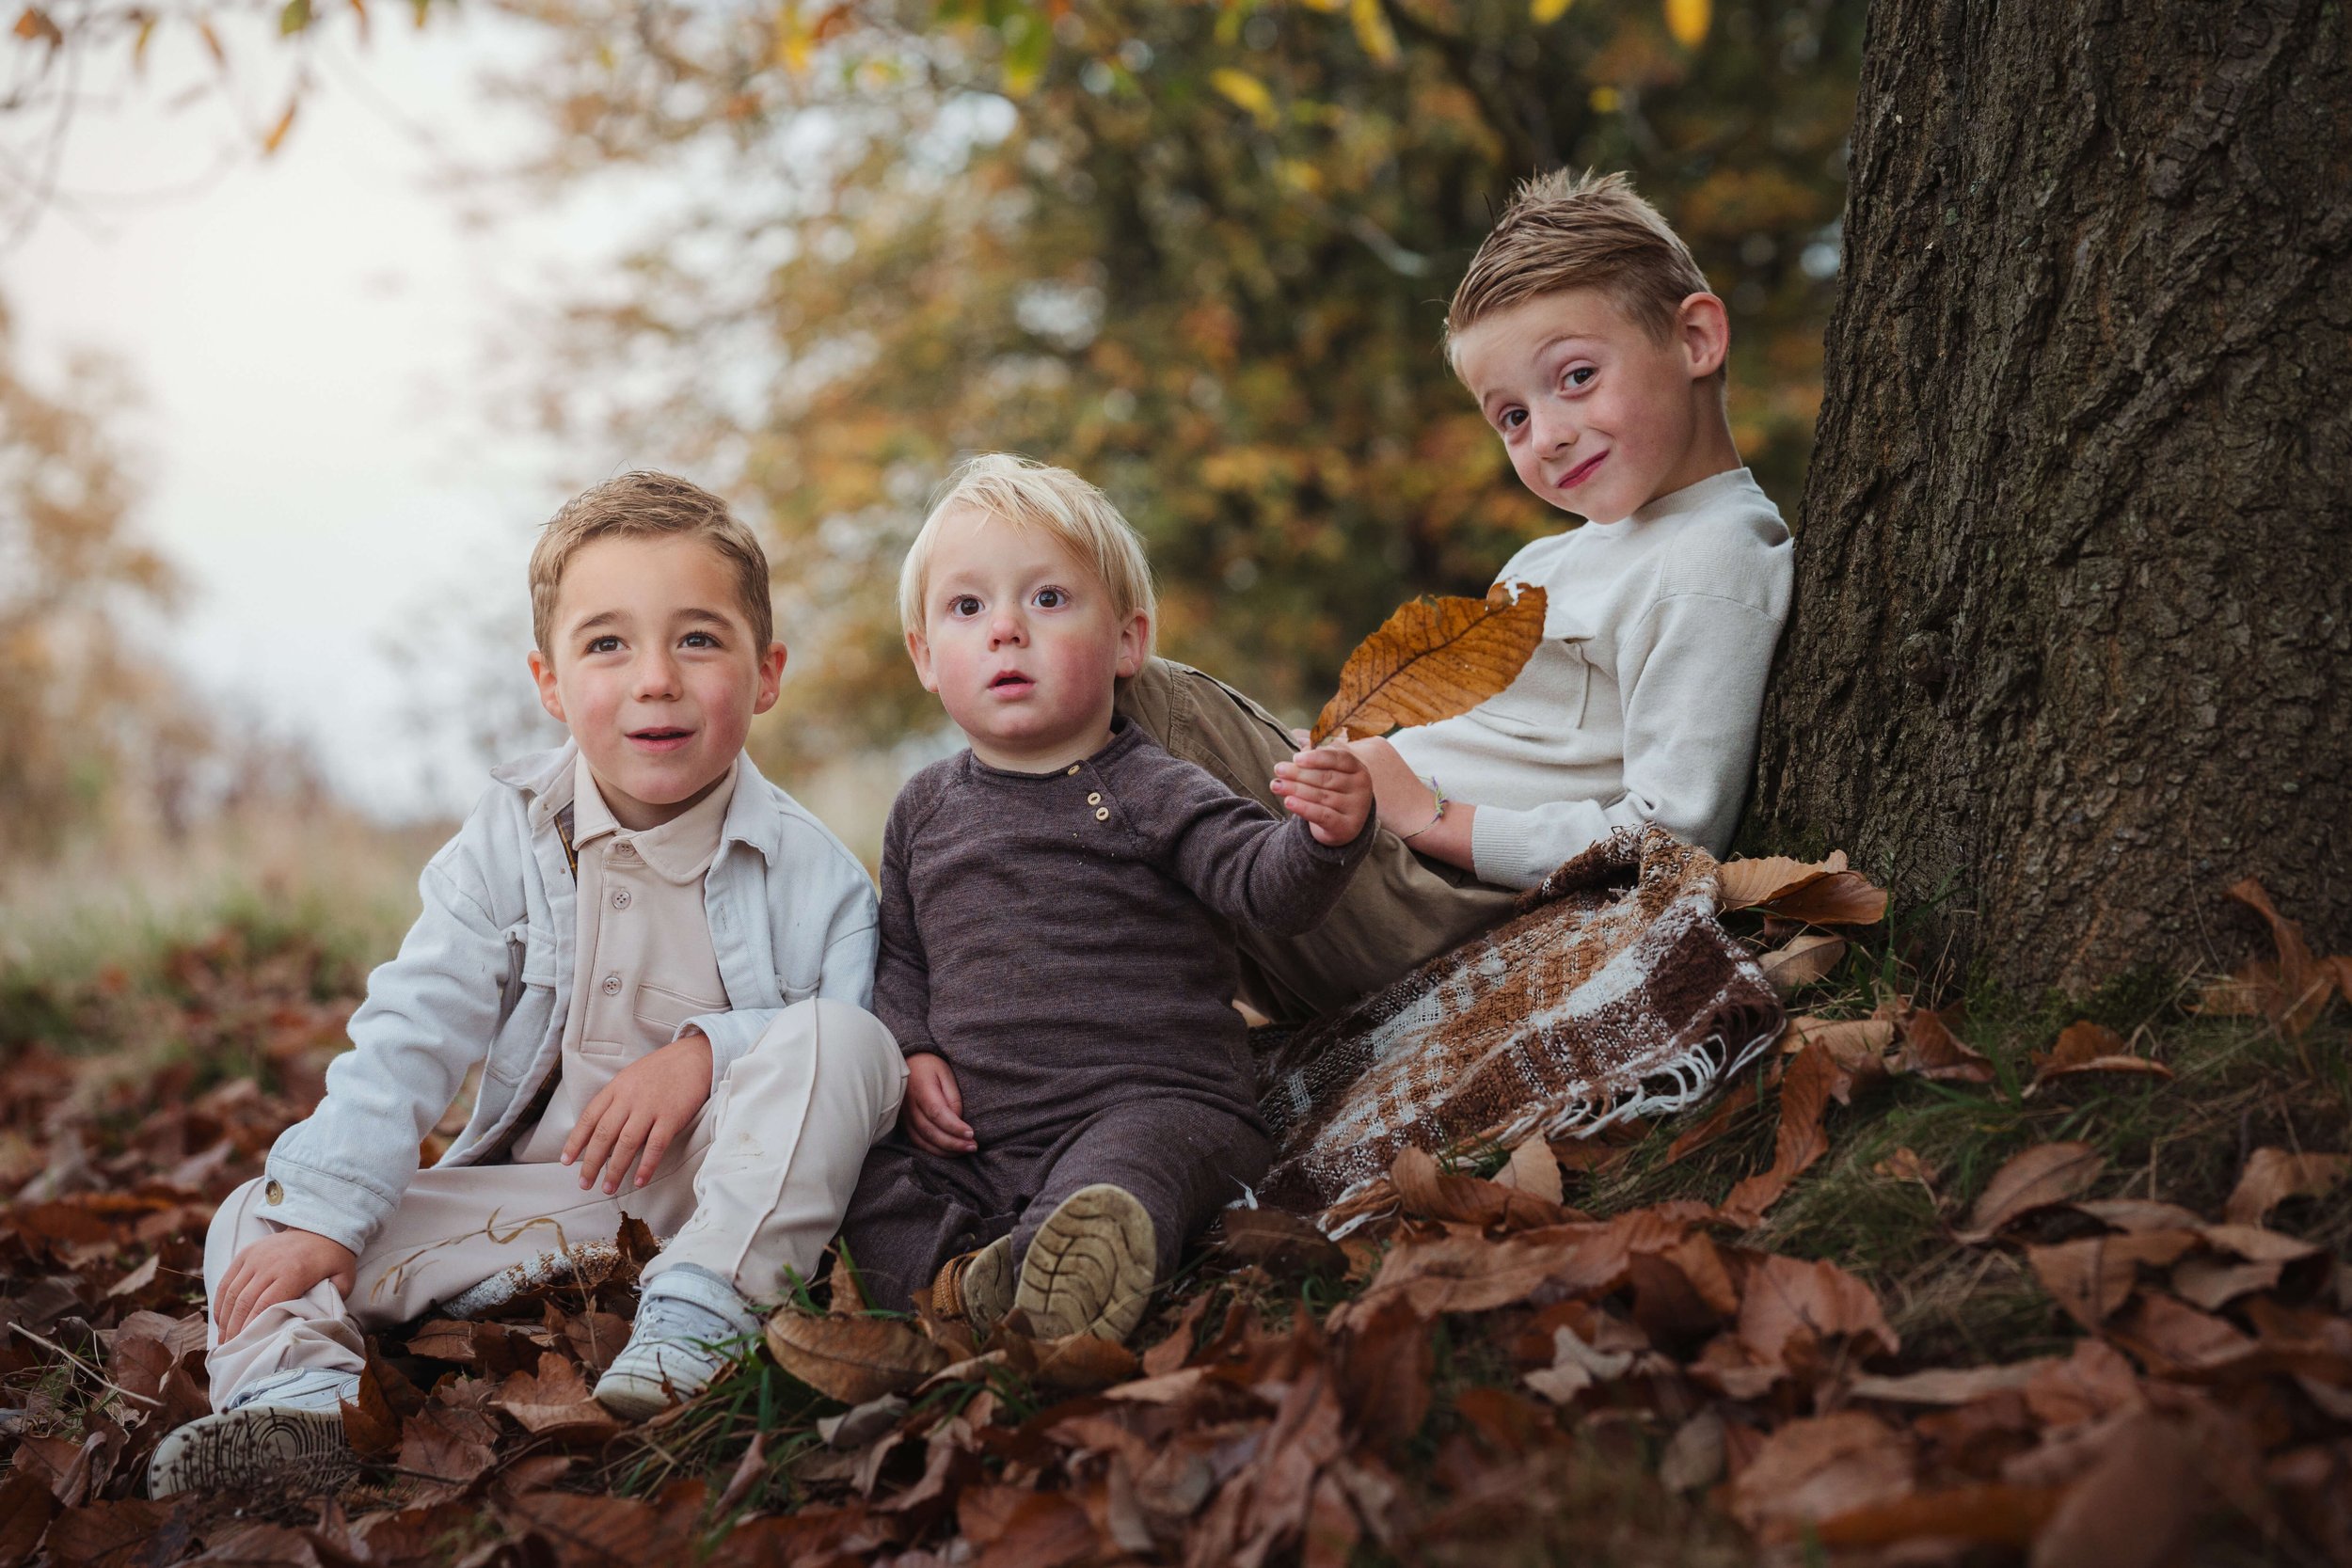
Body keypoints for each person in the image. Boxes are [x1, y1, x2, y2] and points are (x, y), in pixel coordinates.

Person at [150, 473, 906, 1496]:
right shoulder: (509, 836)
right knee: (263, 1214)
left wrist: (706, 1054)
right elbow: (414, 1025)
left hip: (724, 1203)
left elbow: (848, 1077)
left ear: (765, 671)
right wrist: (329, 1213)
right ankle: (298, 1407)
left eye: (697, 639)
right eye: (608, 643)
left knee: (847, 1042)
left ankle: (699, 1323)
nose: (655, 679)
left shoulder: (816, 874)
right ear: (549, 682)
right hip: (541, 1205)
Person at [1115, 167, 1797, 1021]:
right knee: (1122, 777)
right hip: (1366, 857)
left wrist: (1426, 811)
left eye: (1576, 376)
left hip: (1446, 902)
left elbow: (1674, 836)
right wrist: (1332, 772)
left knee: (1129, 695)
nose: (1545, 434)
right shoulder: (1547, 562)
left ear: (1695, 340)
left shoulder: (1714, 559)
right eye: (1510, 415)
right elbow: (1490, 742)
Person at [838, 455, 1376, 1340]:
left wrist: (1326, 835)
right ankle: (963, 1284)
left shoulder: (1151, 786)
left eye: (1048, 599)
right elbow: (901, 952)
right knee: (868, 1178)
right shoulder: (923, 809)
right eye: (968, 607)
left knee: (1129, 1173)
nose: (1007, 629)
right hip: (982, 1138)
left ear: (1129, 641)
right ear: (927, 657)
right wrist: (914, 1047)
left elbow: (1263, 887)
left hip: (1158, 1102)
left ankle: (1074, 1268)